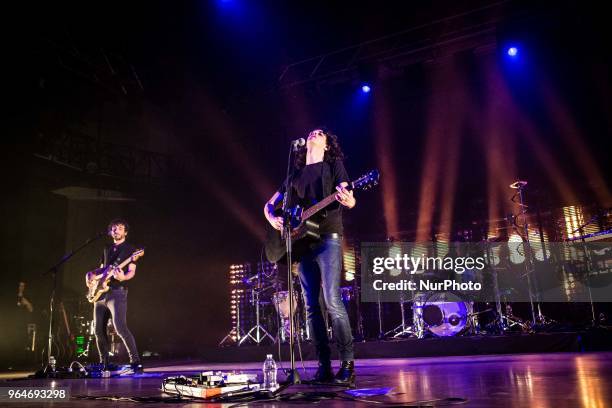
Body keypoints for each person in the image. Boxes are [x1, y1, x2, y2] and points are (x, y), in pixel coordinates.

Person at [264, 128, 356, 385]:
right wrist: (273, 218)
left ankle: (347, 365)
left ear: (327, 145)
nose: (315, 133)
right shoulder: (293, 175)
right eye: (312, 132)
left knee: (332, 300)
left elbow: (348, 195)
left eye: (321, 133)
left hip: (328, 238)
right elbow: (269, 204)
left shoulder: (333, 165)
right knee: (311, 307)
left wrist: (349, 200)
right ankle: (323, 367)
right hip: (303, 243)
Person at [86, 219, 142, 373]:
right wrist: (91, 279)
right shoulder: (106, 248)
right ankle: (104, 362)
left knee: (120, 327)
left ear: (125, 232)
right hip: (100, 294)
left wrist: (123, 277)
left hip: (117, 292)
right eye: (114, 228)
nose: (116, 230)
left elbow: (131, 271)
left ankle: (135, 361)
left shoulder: (131, 249)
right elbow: (102, 269)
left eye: (120, 228)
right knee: (98, 330)